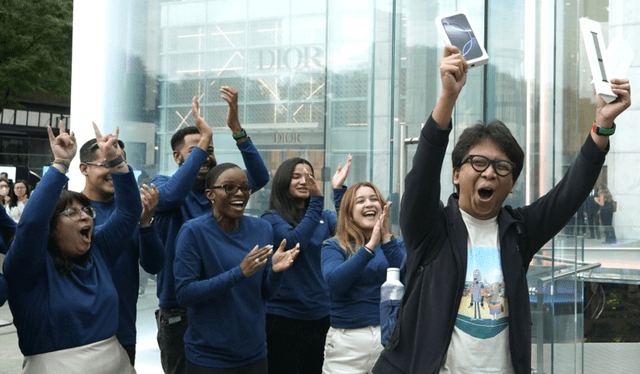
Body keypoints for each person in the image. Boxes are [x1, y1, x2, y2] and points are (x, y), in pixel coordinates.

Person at [372, 45, 631, 374]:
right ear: (456, 174)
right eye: (477, 162)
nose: (490, 172)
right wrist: (448, 98)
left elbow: (570, 192)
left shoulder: (519, 230)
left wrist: (602, 125)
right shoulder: (430, 228)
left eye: (502, 167)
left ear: (511, 184)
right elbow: (422, 176)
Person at [2, 121, 142, 373]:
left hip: (118, 363)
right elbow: (32, 223)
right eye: (71, 212)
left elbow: (130, 211)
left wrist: (116, 162)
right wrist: (60, 163)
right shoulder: (27, 266)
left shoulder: (99, 251)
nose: (85, 216)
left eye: (87, 210)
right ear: (50, 226)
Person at [152, 87, 269, 374]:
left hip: (224, 306)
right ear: (178, 157)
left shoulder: (225, 193)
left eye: (211, 150)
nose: (206, 156)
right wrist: (204, 141)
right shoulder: (164, 185)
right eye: (197, 151)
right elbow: (169, 199)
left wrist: (237, 130)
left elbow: (260, 178)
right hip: (179, 308)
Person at [174, 163, 299, 373]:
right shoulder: (193, 232)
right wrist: (238, 273)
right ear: (210, 194)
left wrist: (276, 273)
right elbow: (184, 294)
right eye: (229, 187)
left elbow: (265, 293)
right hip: (209, 358)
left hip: (254, 354)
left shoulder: (262, 228)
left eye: (245, 188)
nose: (239, 193)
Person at [78, 136, 165, 365]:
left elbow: (154, 265)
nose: (114, 171)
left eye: (120, 165)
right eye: (107, 163)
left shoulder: (134, 211)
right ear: (84, 168)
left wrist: (146, 224)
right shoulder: (69, 211)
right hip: (80, 331)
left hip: (123, 329)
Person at [261, 157, 344, 374]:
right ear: (283, 182)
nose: (303, 181)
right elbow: (295, 243)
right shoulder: (271, 218)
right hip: (283, 318)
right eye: (296, 176)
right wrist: (317, 201)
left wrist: (338, 191)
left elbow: (348, 233)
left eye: (309, 177)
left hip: (321, 315)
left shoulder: (325, 217)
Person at [321, 181, 405, 374]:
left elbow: (408, 276)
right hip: (347, 343)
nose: (368, 204)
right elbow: (335, 282)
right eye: (360, 201)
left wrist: (385, 240)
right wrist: (369, 247)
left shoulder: (396, 244)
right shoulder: (334, 246)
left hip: (391, 339)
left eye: (374, 199)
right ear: (349, 212)